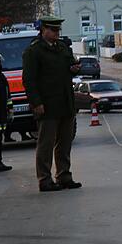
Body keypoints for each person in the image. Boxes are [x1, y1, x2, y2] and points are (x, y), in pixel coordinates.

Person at [22, 16, 81, 192]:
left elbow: (69, 68)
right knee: (46, 144)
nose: (56, 34)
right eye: (53, 30)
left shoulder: (62, 47)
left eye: (58, 31)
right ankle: (44, 179)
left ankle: (64, 175)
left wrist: (74, 68)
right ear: (44, 30)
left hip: (65, 102)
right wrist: (36, 103)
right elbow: (29, 80)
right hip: (47, 105)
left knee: (65, 142)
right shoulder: (34, 51)